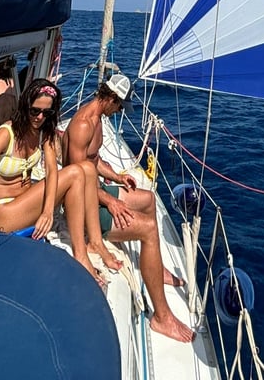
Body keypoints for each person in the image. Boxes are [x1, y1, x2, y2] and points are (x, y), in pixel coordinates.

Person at [64, 73, 195, 343]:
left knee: (147, 199)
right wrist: (110, 201)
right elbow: (76, 177)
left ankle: (156, 268)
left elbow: (94, 161)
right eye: (120, 106)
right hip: (83, 207)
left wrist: (117, 177)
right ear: (111, 98)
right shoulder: (83, 125)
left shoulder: (97, 119)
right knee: (148, 229)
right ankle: (162, 318)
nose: (120, 112)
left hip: (95, 194)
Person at [0, 78, 113, 288]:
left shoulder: (44, 132)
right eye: (35, 111)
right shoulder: (6, 134)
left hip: (25, 202)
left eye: (46, 113)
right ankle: (81, 256)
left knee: (87, 168)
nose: (40, 117)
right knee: (75, 174)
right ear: (25, 106)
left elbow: (52, 170)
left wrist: (48, 212)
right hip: (2, 212)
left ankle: (96, 243)